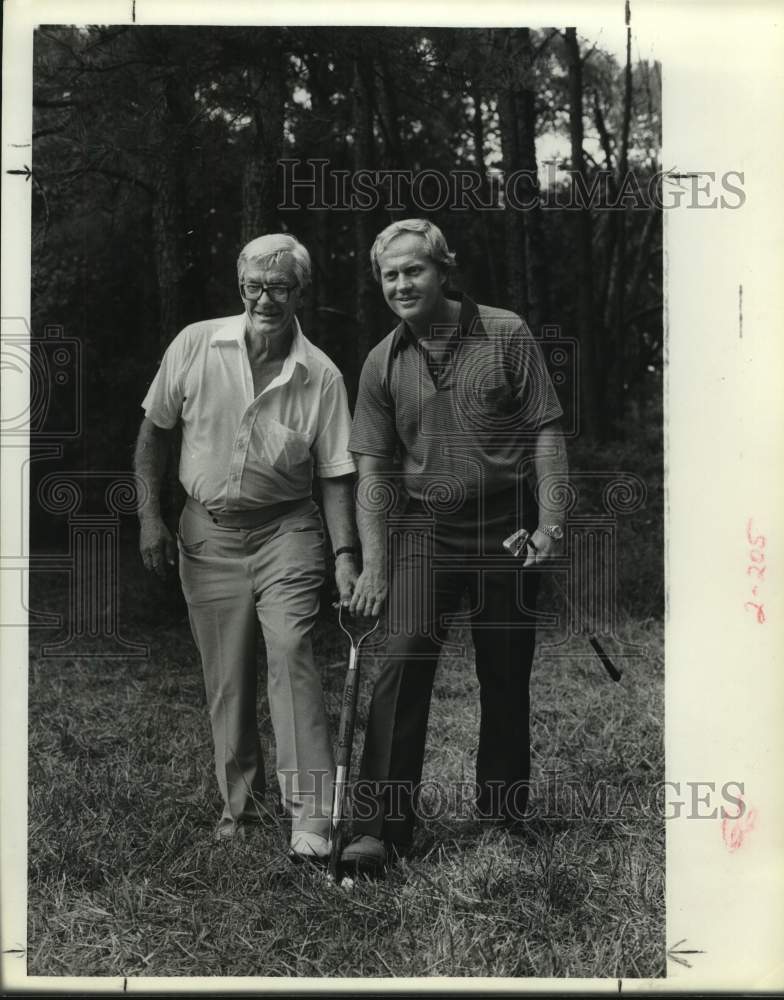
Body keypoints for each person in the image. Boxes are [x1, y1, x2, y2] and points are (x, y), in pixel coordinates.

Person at [343, 218, 569, 871]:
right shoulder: (381, 360)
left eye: (412, 270)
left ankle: (501, 813)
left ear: (443, 269)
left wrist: (550, 526)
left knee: (504, 670)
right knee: (401, 661)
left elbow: (547, 435)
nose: (401, 284)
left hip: (505, 523)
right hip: (424, 527)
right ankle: (379, 831)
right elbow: (371, 473)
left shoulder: (505, 333)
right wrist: (375, 567)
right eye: (389, 275)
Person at [134, 233, 358, 859]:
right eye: (254, 286)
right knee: (226, 673)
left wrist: (344, 557)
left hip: (288, 530)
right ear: (241, 287)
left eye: (279, 286)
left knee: (291, 651)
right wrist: (151, 518)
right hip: (206, 531)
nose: (265, 298)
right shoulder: (196, 344)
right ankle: (243, 809)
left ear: (300, 292)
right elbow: (153, 433)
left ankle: (311, 819)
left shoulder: (323, 376)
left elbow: (337, 474)